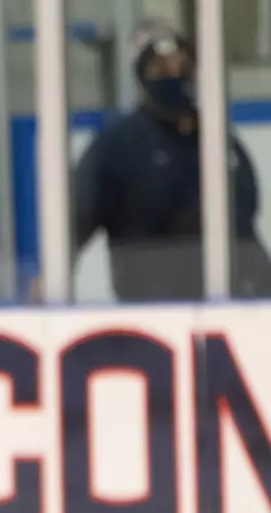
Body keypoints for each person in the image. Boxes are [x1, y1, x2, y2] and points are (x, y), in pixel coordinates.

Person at [72, 18, 271, 301]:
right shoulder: (118, 145)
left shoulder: (219, 141)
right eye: (161, 68)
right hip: (156, 308)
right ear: (143, 75)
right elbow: (78, 218)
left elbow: (244, 223)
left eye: (182, 65)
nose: (175, 74)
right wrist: (48, 278)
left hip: (230, 301)